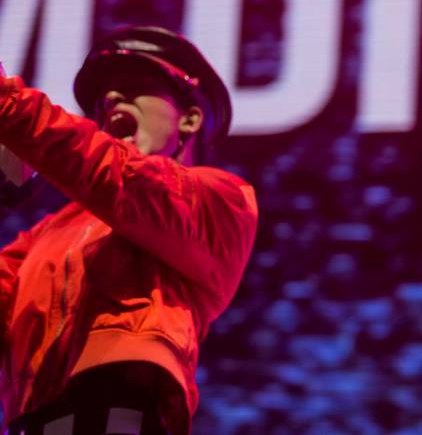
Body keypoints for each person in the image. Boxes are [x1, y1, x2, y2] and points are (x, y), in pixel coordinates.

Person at [0, 26, 258, 434]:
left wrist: (8, 106)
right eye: (102, 102)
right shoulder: (45, 235)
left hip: (123, 416)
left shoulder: (223, 200)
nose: (111, 100)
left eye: (136, 86)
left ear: (189, 119)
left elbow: (113, 173)